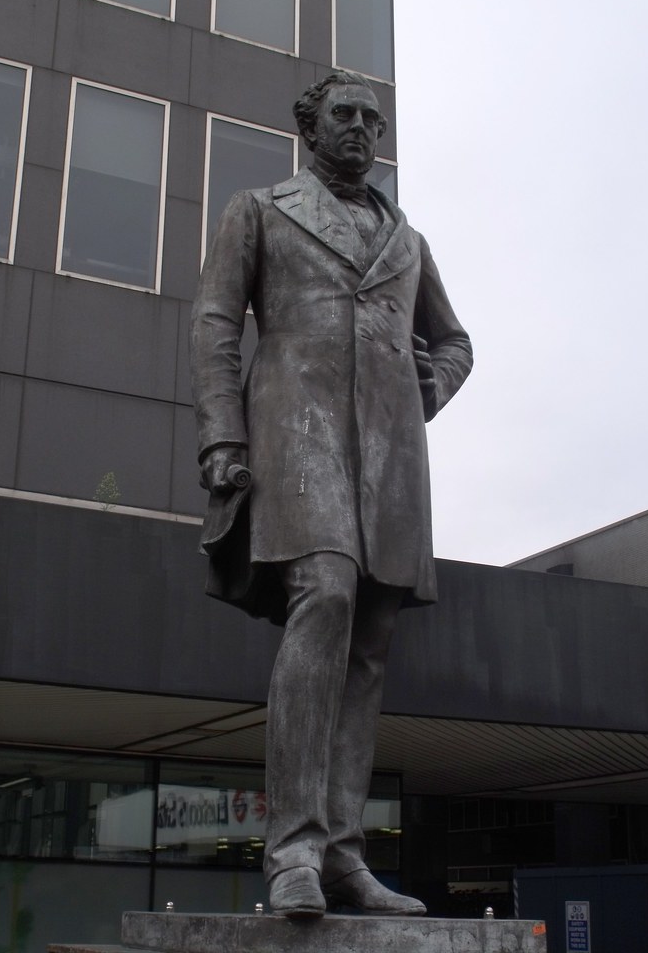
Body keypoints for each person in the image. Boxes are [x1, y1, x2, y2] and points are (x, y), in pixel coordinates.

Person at [190, 71, 472, 918]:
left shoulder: (408, 239)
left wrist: (433, 385)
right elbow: (212, 320)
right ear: (309, 128)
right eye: (345, 115)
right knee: (329, 593)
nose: (361, 129)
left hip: (389, 457)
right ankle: (294, 852)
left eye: (373, 120)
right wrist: (222, 435)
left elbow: (454, 340)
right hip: (296, 438)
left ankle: (345, 855)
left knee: (372, 641)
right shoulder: (260, 209)